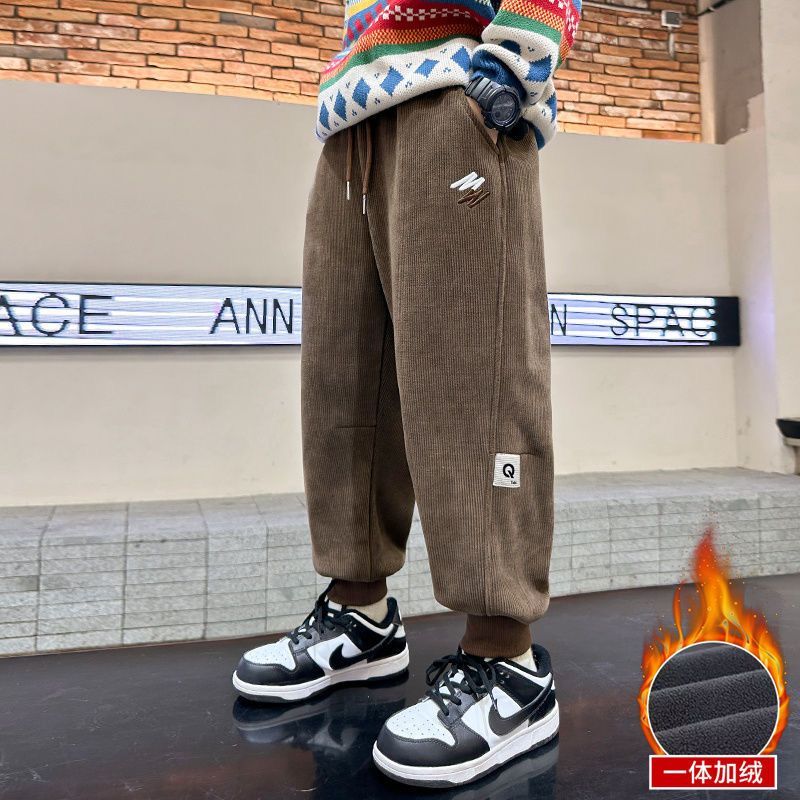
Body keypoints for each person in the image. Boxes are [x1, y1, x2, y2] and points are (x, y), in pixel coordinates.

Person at [232, 0, 581, 787]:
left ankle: (508, 662)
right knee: (343, 381)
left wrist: (518, 59)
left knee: (476, 379)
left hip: (459, 95)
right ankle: (360, 615)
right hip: (353, 119)